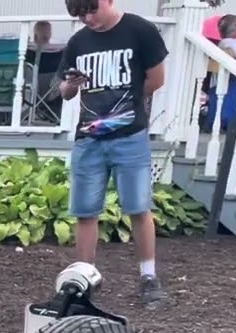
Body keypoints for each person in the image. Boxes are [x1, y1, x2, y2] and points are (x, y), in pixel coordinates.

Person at [58, 0, 168, 305]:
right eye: (80, 14)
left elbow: (156, 80)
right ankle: (84, 279)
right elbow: (66, 93)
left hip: (130, 137)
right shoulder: (78, 42)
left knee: (138, 207)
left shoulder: (140, 30)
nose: (87, 18)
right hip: (88, 140)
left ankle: (149, 277)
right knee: (85, 211)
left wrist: (123, 111)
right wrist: (71, 83)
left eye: (92, 10)